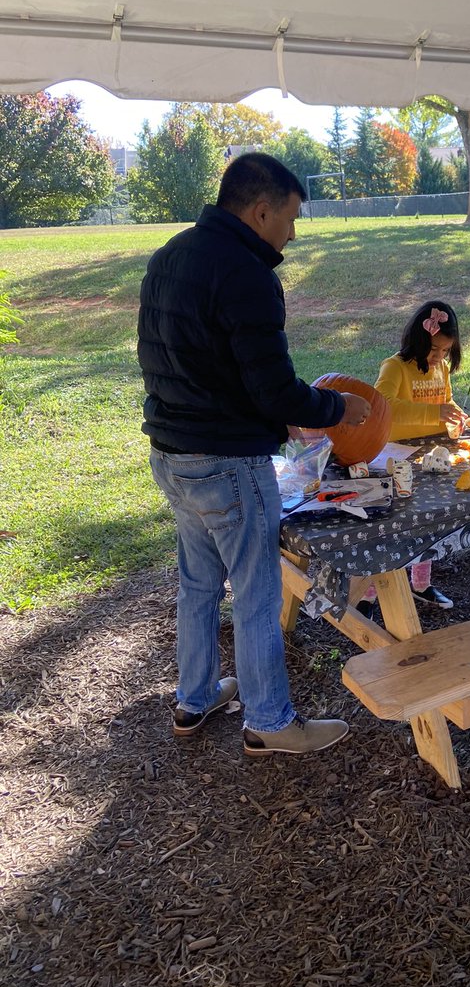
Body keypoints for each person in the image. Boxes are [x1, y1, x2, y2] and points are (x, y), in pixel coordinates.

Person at [138, 152, 371, 756]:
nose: (292, 233)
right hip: (229, 464)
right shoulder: (246, 273)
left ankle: (194, 698)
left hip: (172, 455)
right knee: (258, 593)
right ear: (260, 210)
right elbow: (273, 388)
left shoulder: (169, 257)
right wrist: (337, 410)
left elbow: (188, 365)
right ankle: (269, 721)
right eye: (290, 218)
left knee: (197, 586)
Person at [359, 299, 467, 613]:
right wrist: (434, 412)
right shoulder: (395, 366)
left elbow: (446, 401)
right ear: (417, 341)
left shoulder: (442, 368)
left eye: (446, 351)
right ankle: (368, 592)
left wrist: (456, 415)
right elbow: (385, 404)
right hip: (392, 458)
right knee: (390, 523)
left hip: (429, 456)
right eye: (434, 350)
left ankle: (420, 582)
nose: (439, 357)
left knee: (428, 519)